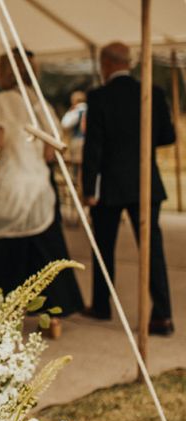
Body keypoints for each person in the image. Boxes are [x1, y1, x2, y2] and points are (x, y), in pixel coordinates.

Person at [0, 51, 84, 338]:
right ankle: (53, 315)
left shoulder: (0, 101)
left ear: (4, 73)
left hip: (9, 182)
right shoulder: (43, 105)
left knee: (0, 250)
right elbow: (50, 152)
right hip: (38, 185)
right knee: (43, 252)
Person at [82, 42, 176, 336]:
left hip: (109, 185)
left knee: (103, 248)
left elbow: (93, 148)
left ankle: (101, 305)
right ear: (129, 63)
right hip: (146, 182)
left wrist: (89, 189)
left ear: (106, 64)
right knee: (153, 251)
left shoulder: (98, 97)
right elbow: (168, 136)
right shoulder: (153, 93)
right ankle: (162, 316)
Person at [61, 90, 88, 164]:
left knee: (78, 165)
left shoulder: (77, 109)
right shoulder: (90, 108)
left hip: (78, 141)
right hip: (89, 140)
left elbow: (65, 124)